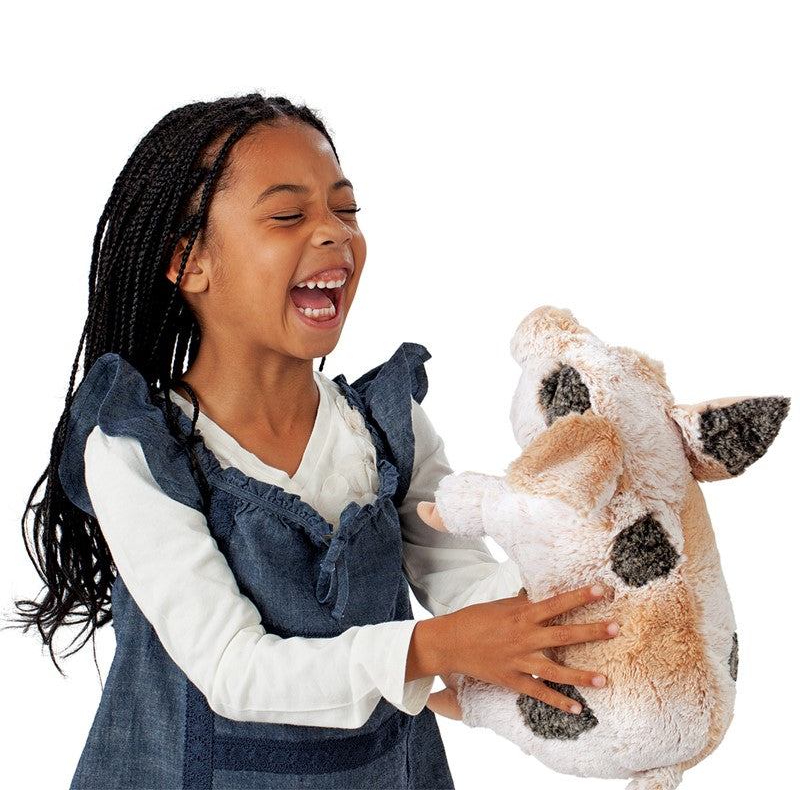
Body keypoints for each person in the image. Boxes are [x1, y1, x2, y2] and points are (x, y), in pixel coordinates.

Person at [10, 92, 620, 789]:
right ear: (189, 262)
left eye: (346, 210)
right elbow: (234, 669)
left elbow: (460, 578)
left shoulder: (387, 427)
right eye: (288, 215)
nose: (335, 234)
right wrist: (434, 646)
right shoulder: (138, 453)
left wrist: (580, 599)